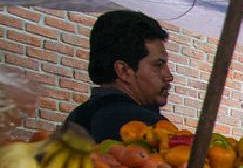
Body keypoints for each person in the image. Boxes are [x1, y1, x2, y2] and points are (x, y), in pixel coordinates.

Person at [65, 10, 174, 142]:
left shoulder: (75, 119)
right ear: (123, 71)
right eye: (159, 64)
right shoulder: (147, 127)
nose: (169, 76)